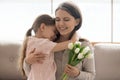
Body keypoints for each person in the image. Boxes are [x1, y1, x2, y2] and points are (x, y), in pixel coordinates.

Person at [22, 1, 96, 80]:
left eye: (66, 19)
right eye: (57, 19)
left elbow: (91, 76)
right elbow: (31, 74)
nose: (61, 24)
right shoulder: (48, 43)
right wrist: (27, 62)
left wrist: (77, 73)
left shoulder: (84, 46)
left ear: (77, 22)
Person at [18, 14, 77, 80]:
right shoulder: (43, 44)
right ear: (43, 27)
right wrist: (75, 31)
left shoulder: (31, 41)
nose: (55, 36)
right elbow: (71, 43)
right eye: (54, 31)